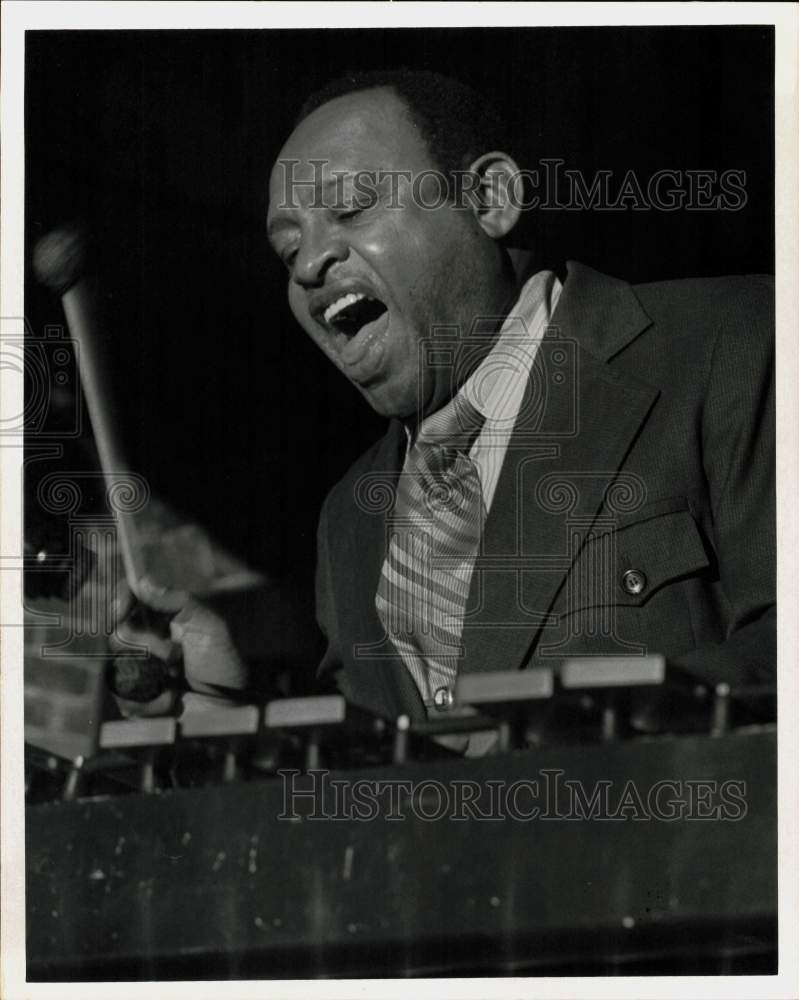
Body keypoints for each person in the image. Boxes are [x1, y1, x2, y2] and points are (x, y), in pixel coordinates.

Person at [116, 70, 775, 738]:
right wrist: (228, 717)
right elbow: (382, 797)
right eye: (287, 249)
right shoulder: (349, 516)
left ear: (489, 199)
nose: (309, 262)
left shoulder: (736, 344)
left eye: (348, 210)